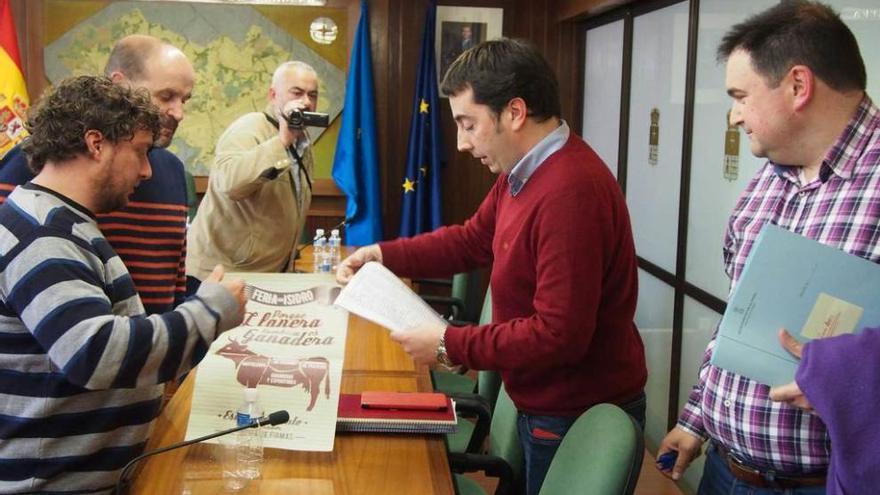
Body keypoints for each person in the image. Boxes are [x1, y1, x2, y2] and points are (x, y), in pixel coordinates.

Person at [336, 38, 647, 495]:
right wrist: (383, 255)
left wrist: (449, 342)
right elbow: (471, 240)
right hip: (542, 401)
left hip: (572, 410)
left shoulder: (570, 190)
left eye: (469, 124)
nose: (461, 143)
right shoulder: (523, 173)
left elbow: (559, 334)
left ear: (515, 113)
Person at [657, 2, 879, 493]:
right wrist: (697, 419)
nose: (734, 116)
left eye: (741, 95)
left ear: (798, 86)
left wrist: (846, 375)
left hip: (820, 483)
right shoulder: (767, 180)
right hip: (724, 466)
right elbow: (740, 316)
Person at [0, 75, 245, 493]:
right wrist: (211, 311)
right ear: (96, 144)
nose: (149, 171)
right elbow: (97, 353)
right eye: (140, 152)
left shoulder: (63, 221)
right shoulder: (42, 236)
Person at [0, 34, 195, 314]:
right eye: (166, 96)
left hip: (151, 348)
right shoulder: (30, 163)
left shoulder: (174, 171)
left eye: (185, 100)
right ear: (119, 86)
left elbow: (174, 288)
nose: (178, 113)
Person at [186, 61, 320, 281]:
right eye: (297, 93)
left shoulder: (303, 143)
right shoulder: (248, 128)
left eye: (312, 95)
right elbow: (230, 185)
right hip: (220, 276)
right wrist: (282, 141)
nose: (306, 102)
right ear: (273, 95)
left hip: (266, 277)